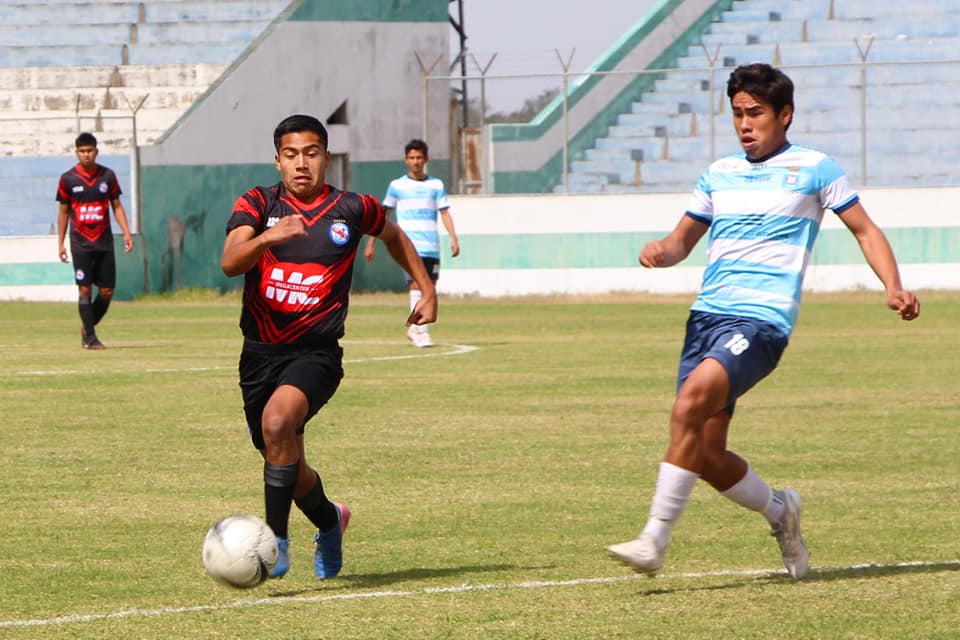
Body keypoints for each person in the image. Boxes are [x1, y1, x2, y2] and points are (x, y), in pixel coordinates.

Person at [606, 63, 920, 580]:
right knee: (705, 454)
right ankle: (781, 511)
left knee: (687, 406)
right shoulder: (718, 174)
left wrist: (893, 285)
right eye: (737, 114)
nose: (744, 124)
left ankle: (653, 541)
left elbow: (865, 230)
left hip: (761, 322)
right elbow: (682, 241)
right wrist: (662, 251)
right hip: (706, 318)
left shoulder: (816, 169)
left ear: (785, 114)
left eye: (755, 113)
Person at [221, 114, 437, 580]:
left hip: (316, 354)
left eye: (312, 153)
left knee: (278, 422)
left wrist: (426, 289)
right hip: (258, 356)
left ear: (326, 156)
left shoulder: (352, 208)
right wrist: (269, 236)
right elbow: (230, 261)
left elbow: (394, 236)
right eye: (292, 154)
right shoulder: (257, 203)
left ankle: (272, 543)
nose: (302, 164)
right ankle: (330, 519)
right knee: (284, 459)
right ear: (277, 160)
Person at [364, 139, 459, 348]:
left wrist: (453, 237)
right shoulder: (397, 186)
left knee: (430, 287)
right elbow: (383, 215)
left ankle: (415, 328)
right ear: (406, 160)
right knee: (416, 285)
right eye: (412, 158)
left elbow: (445, 212)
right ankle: (420, 331)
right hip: (408, 245)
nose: (415, 161)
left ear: (425, 159)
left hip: (431, 245)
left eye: (419, 157)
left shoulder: (436, 185)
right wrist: (371, 242)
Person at [56, 132, 135, 350]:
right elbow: (63, 212)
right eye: (82, 151)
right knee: (84, 289)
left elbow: (116, 206)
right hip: (80, 243)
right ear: (76, 152)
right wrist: (61, 242)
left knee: (107, 292)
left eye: (90, 150)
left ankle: (87, 328)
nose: (86, 155)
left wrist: (127, 232)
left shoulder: (107, 176)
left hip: (104, 242)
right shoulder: (68, 179)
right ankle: (90, 337)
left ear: (96, 151)